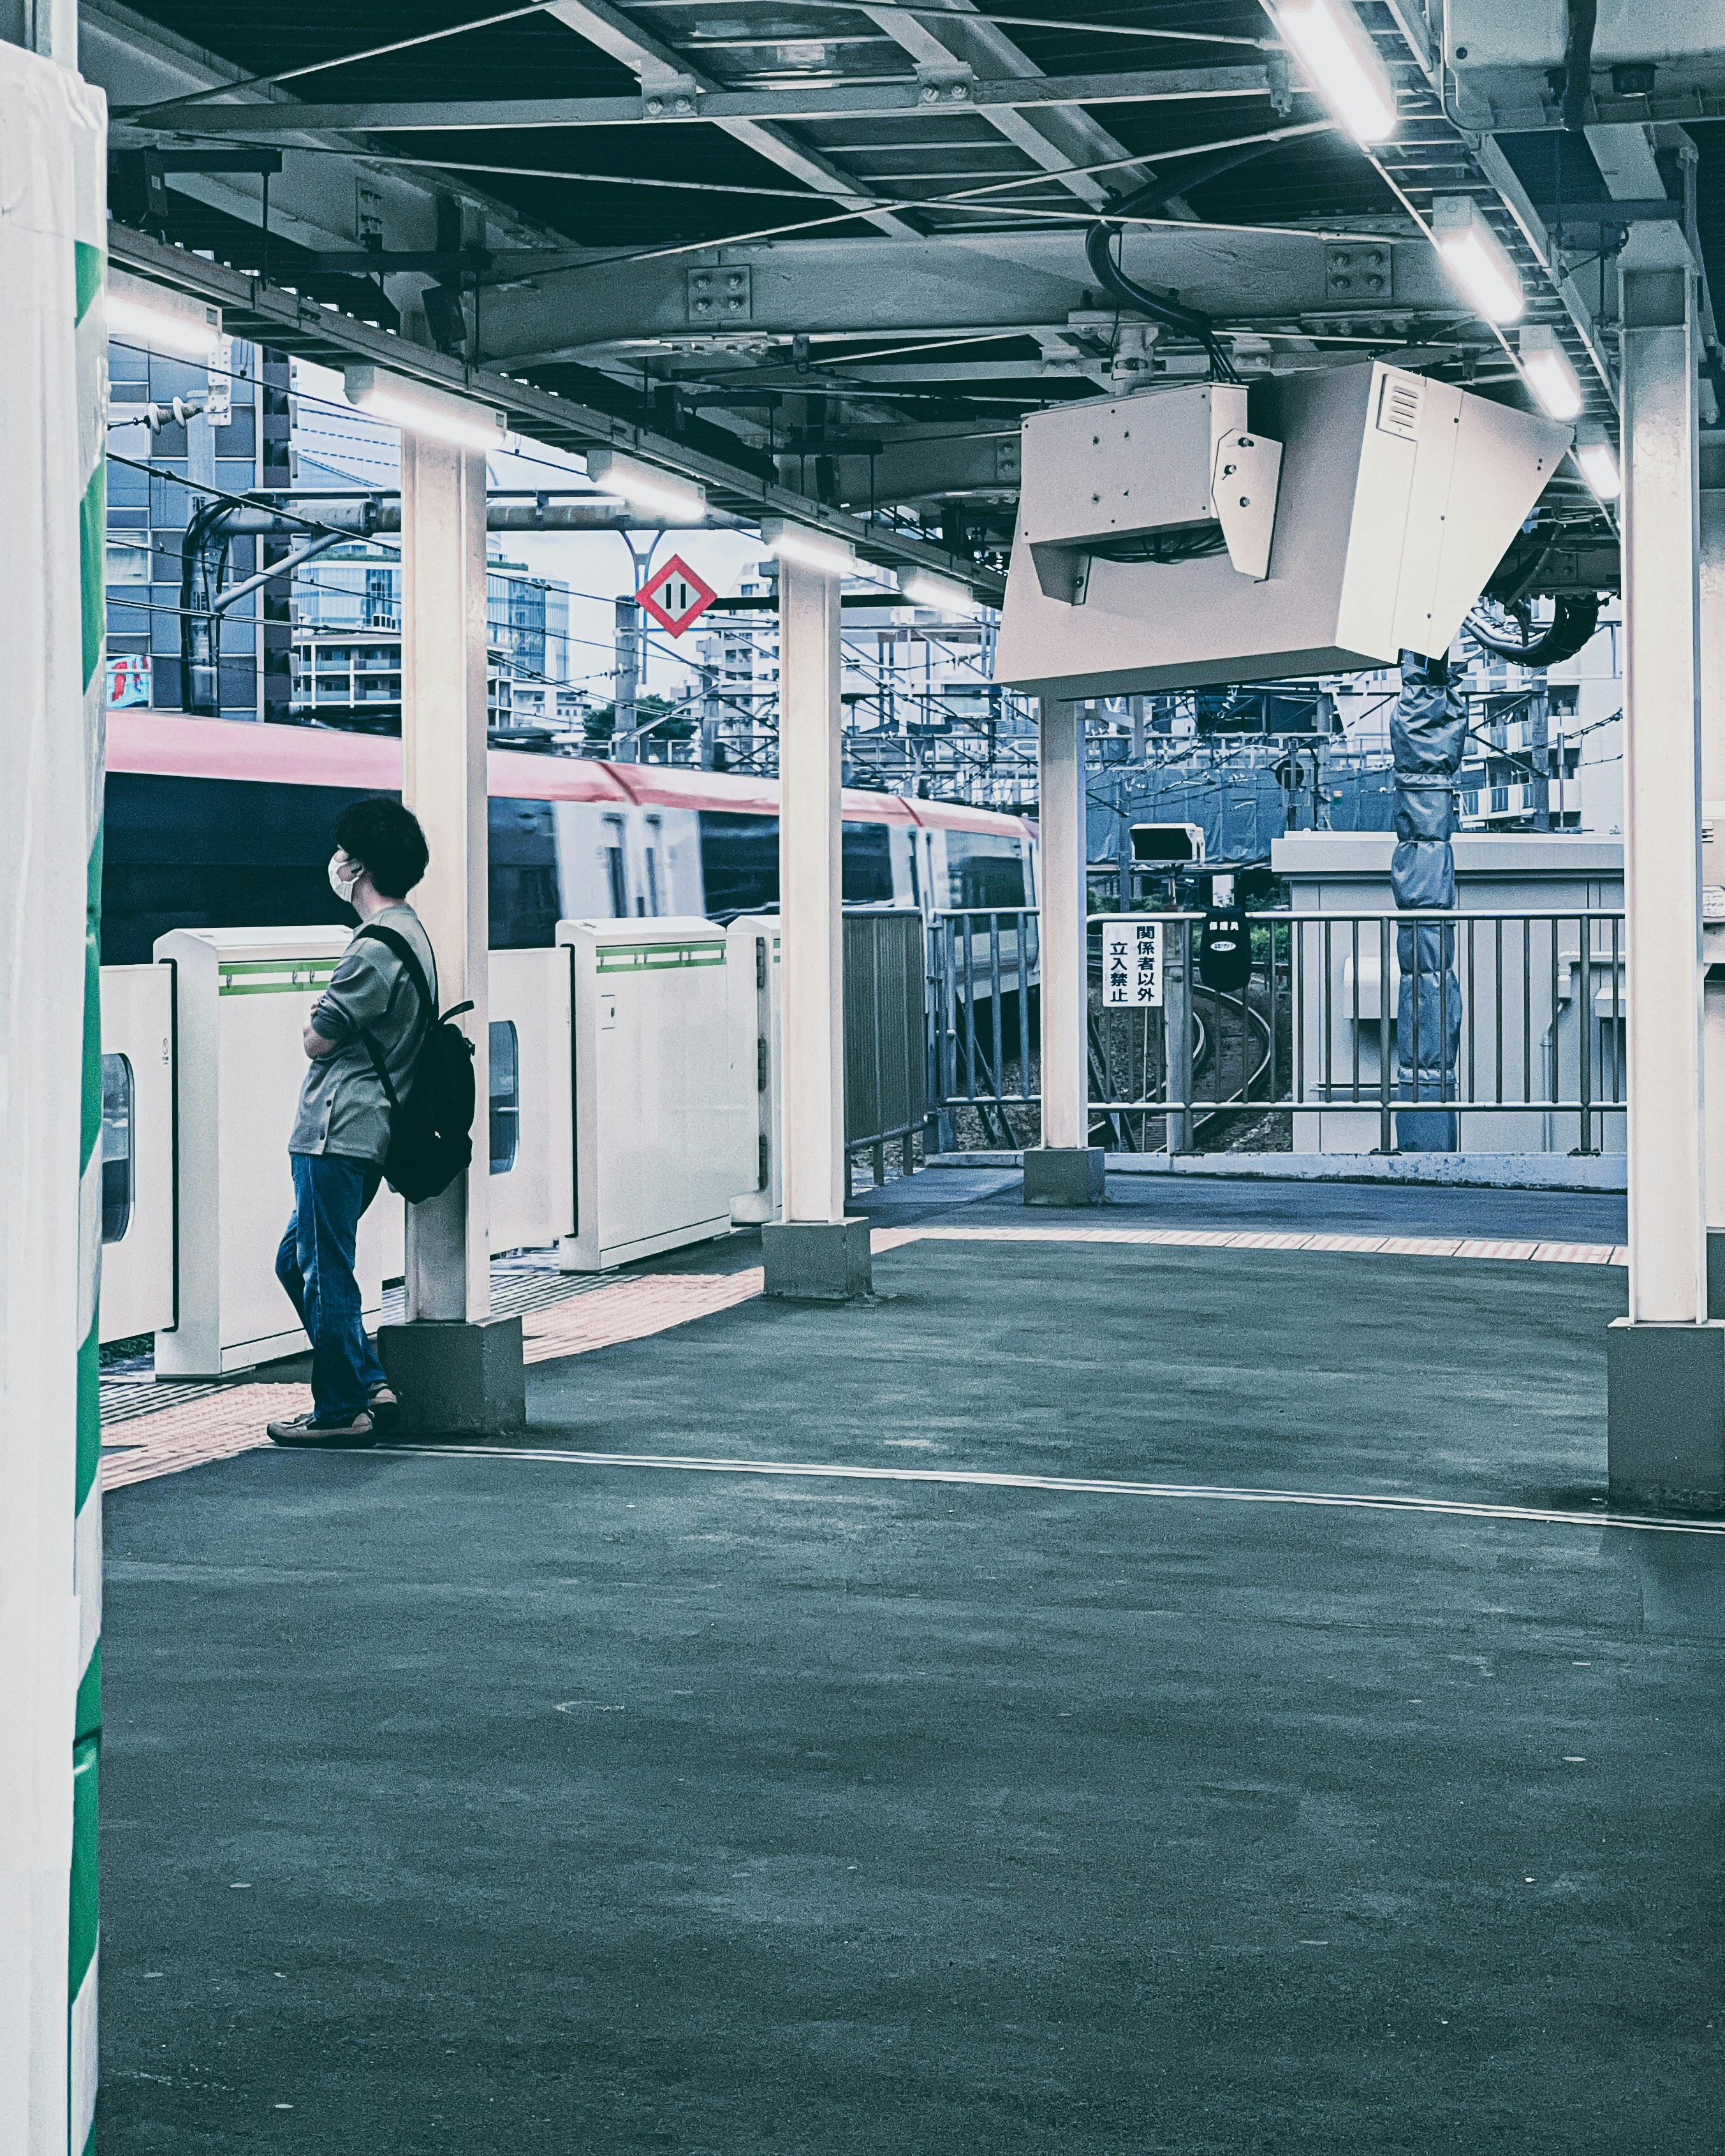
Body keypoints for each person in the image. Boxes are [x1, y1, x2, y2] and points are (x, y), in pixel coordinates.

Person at [266, 798, 437, 1449]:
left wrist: (314, 1019)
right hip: (368, 1129)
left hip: (337, 1129)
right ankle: (368, 1381)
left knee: (324, 1269)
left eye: (343, 854)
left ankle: (341, 1410)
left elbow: (318, 1038)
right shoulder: (412, 932)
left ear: (357, 866)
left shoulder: (373, 947)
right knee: (299, 1261)